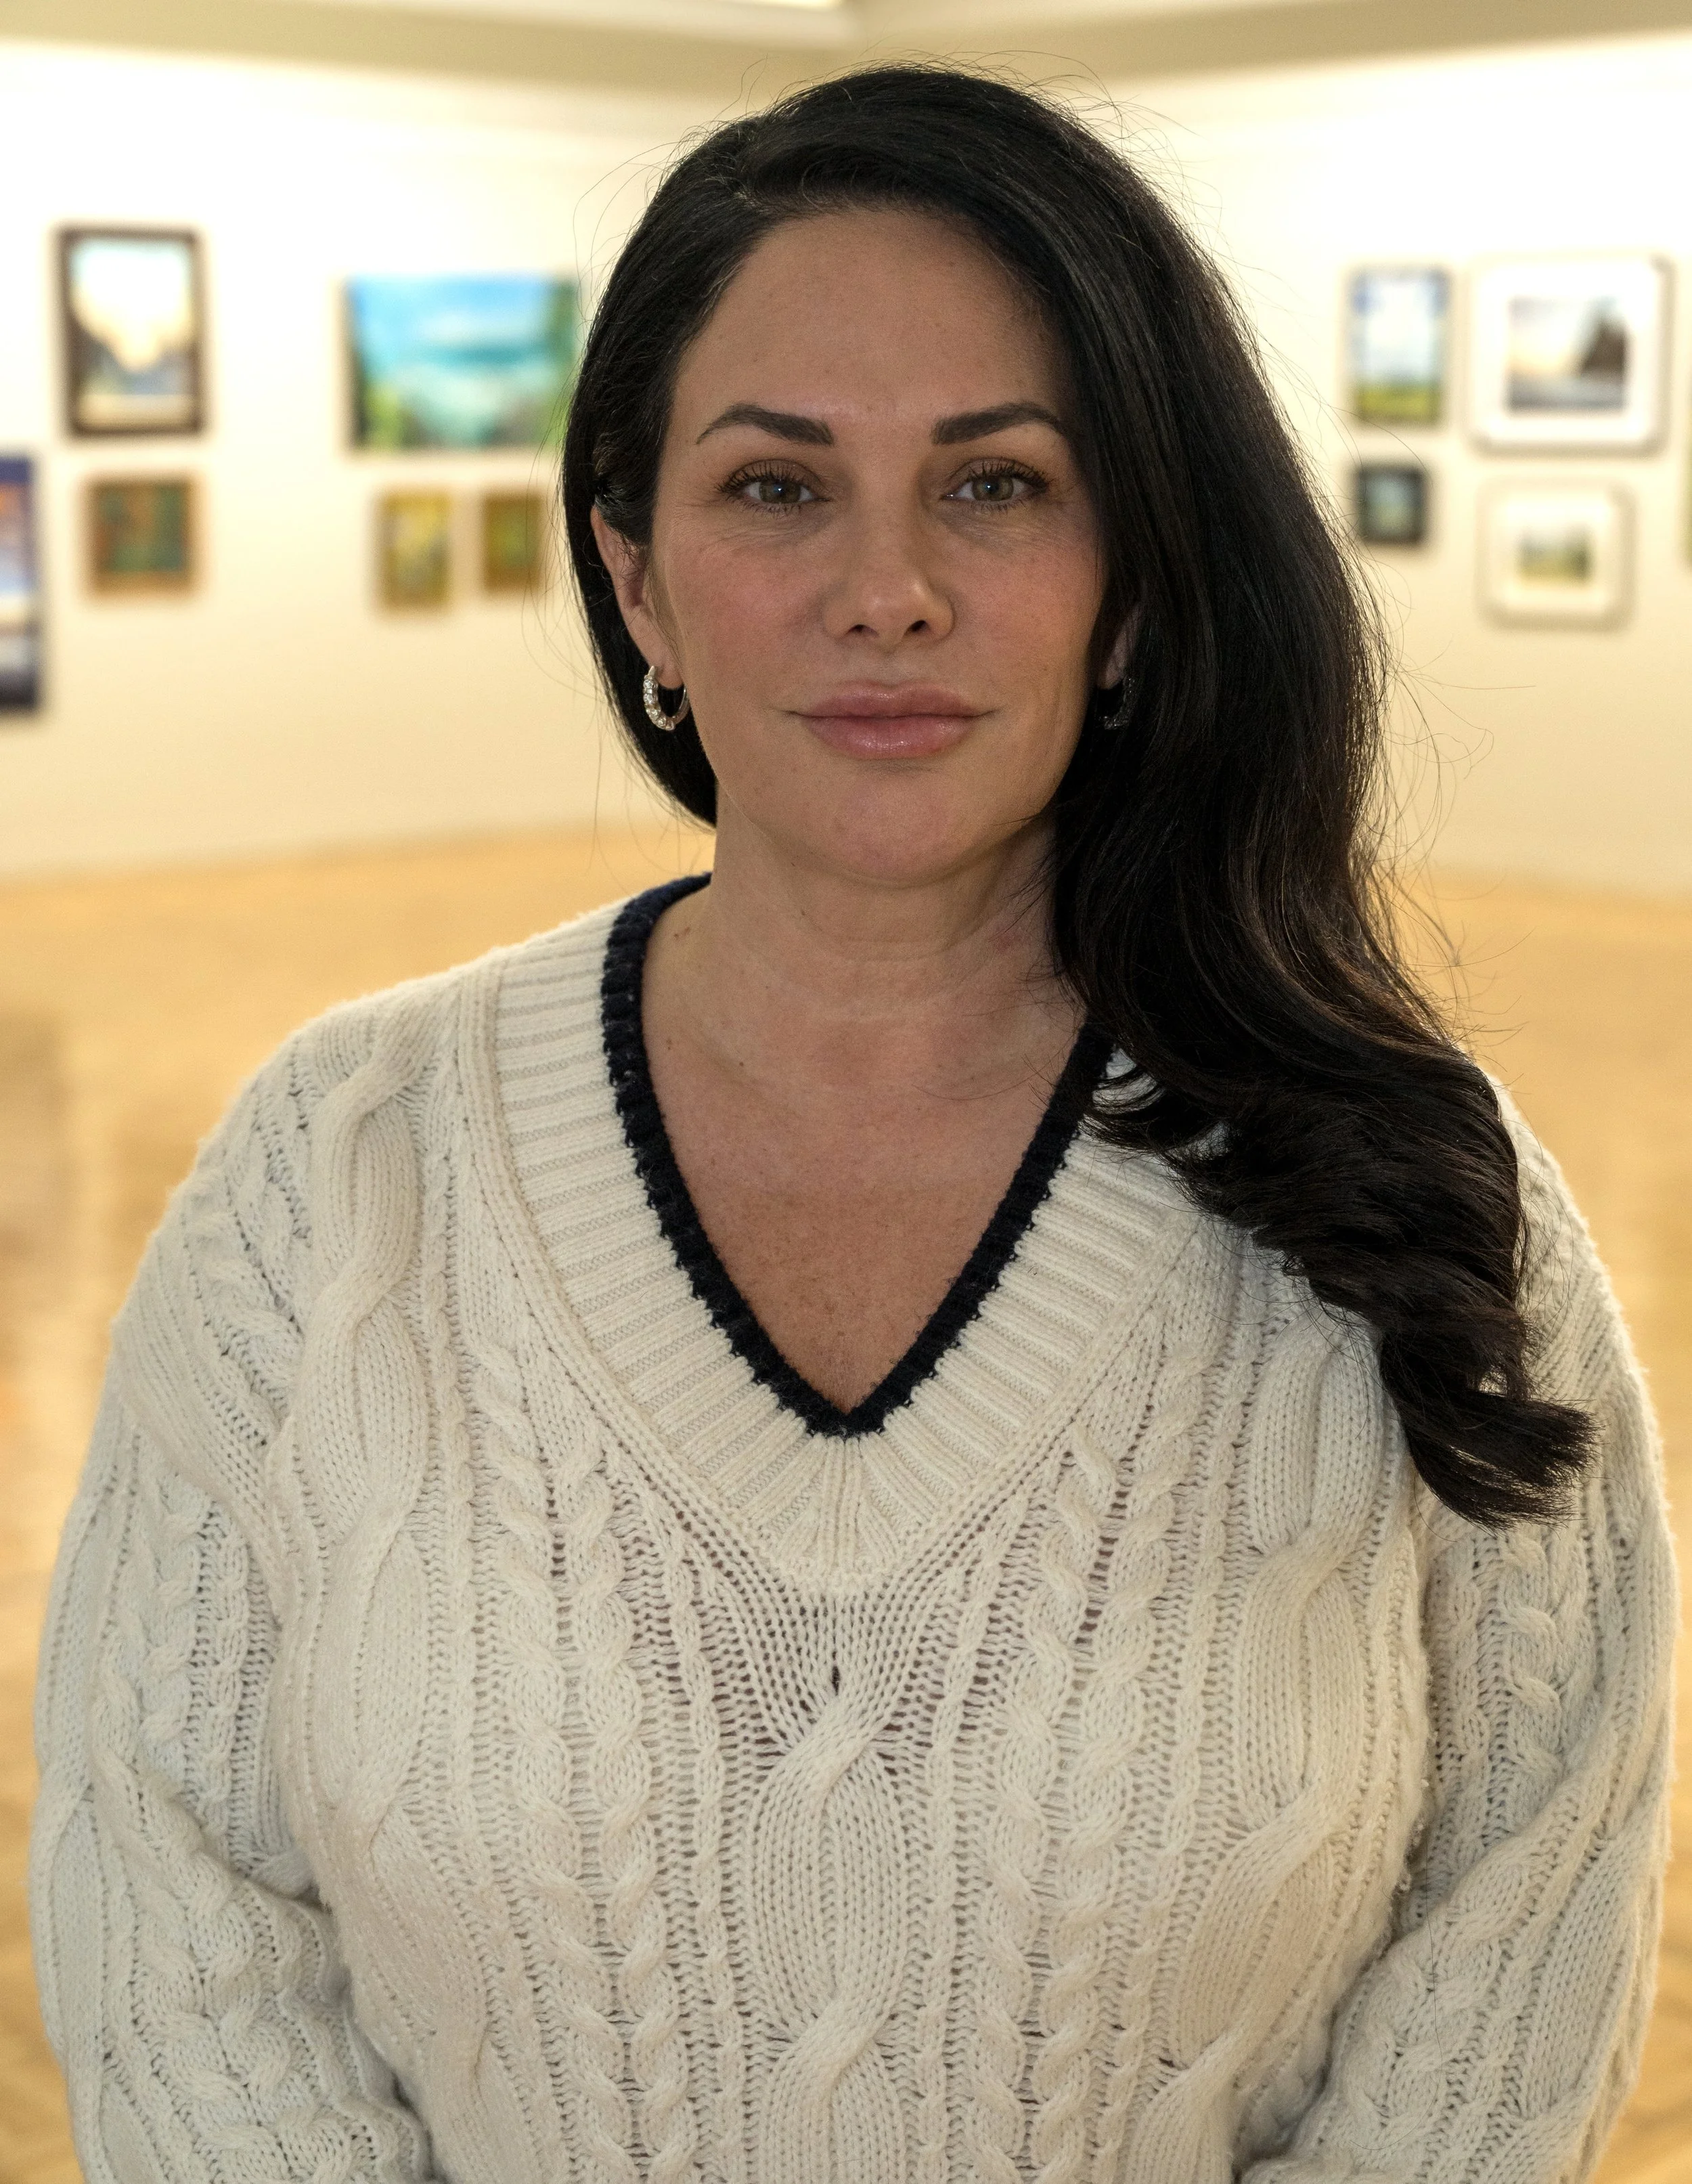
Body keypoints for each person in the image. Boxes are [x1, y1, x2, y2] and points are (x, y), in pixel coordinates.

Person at [32, 64, 1674, 2184]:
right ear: (635, 576)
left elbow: (1513, 1950)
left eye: (994, 484)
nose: (885, 589)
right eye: (773, 486)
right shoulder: (332, 1175)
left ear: (1134, 579)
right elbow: (175, 1916)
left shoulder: (1414, 1199)